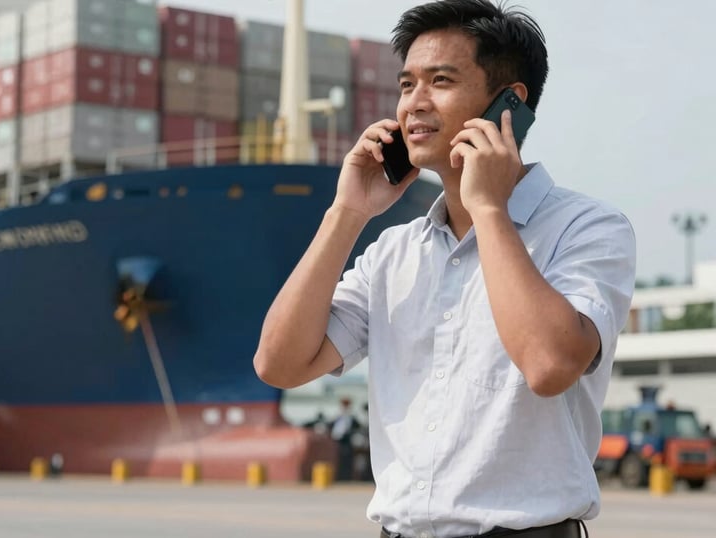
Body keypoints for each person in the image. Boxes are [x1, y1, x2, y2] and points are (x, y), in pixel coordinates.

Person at [254, 1, 636, 536]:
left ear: (509, 102)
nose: (414, 104)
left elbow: (549, 365)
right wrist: (347, 213)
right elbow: (279, 364)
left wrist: (489, 210)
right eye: (406, 84)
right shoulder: (393, 251)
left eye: (440, 81)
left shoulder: (590, 228)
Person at [329, 397, 361, 480]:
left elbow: (357, 427)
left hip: (347, 441)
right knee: (337, 459)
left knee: (347, 459)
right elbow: (331, 426)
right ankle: (338, 477)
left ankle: (346, 477)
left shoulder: (351, 417)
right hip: (337, 441)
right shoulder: (337, 416)